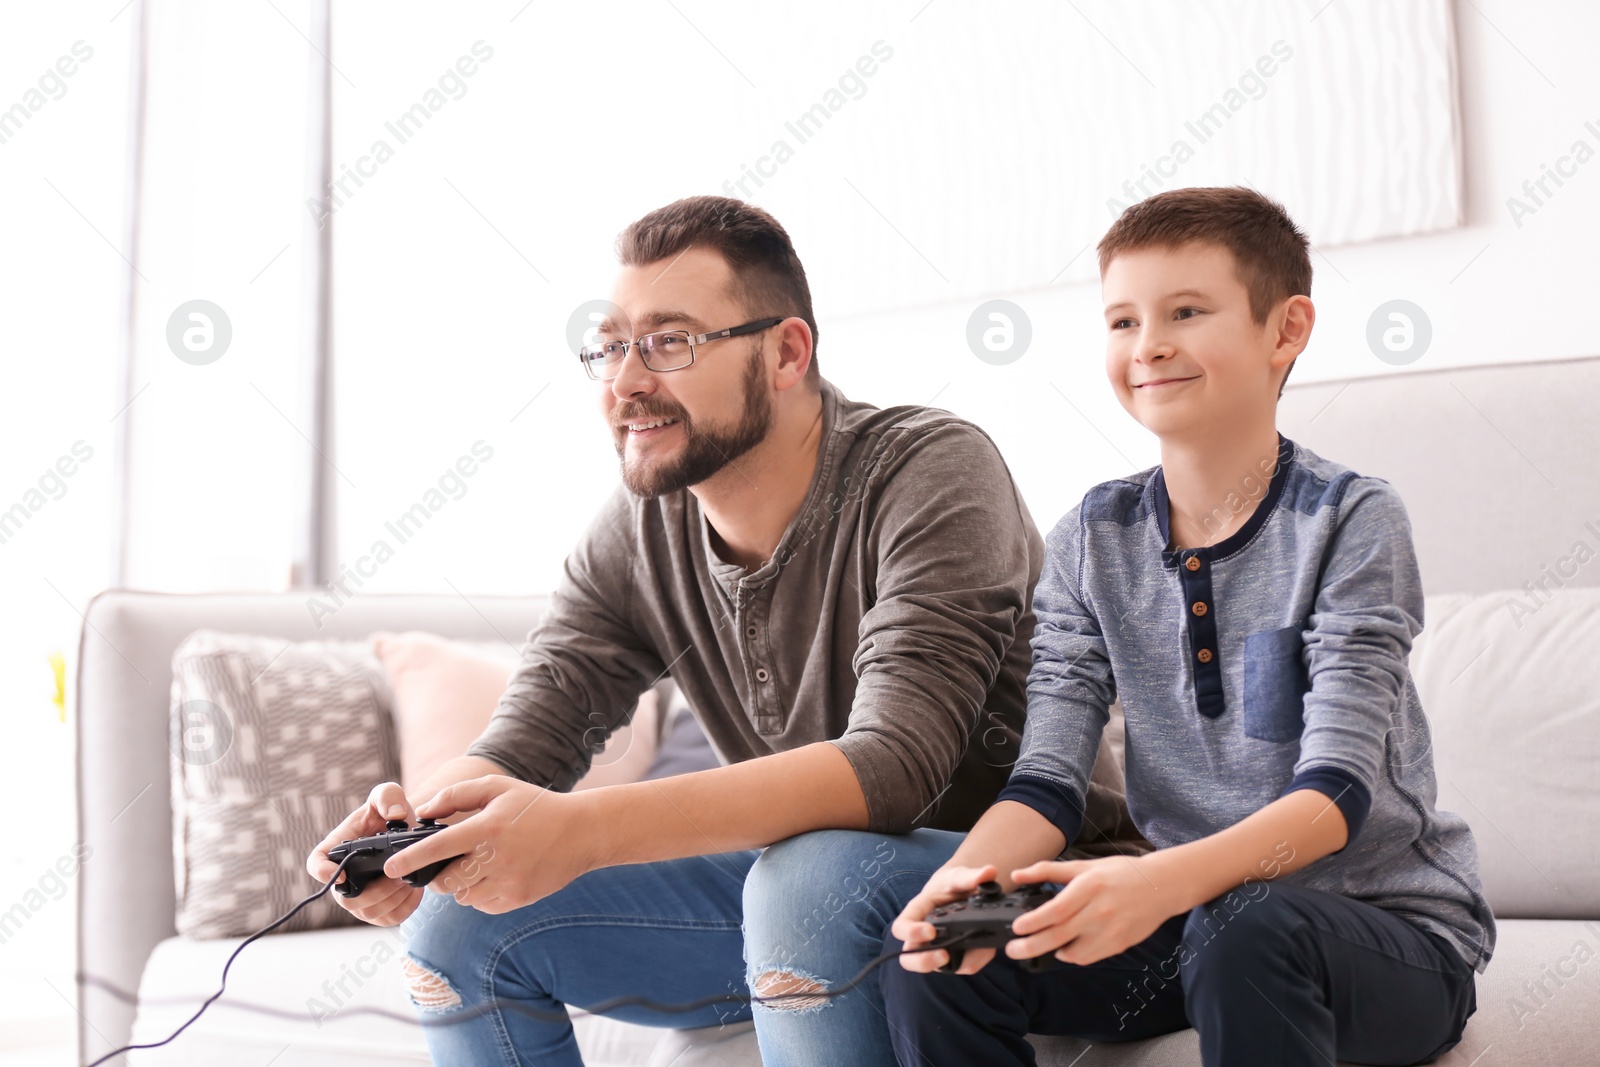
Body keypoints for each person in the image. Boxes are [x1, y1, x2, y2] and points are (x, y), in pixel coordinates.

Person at [306, 194, 1132, 1066]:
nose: (625, 381)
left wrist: (580, 830)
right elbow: (529, 737)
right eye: (611, 346)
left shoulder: (930, 471)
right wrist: (429, 826)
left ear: (785, 351)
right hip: (794, 903)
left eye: (670, 341)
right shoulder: (635, 530)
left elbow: (894, 767)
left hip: (1019, 890)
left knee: (805, 876)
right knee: (459, 915)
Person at [881, 186, 1494, 1066]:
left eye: (1185, 312)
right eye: (1122, 321)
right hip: (1194, 917)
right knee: (942, 955)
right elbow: (1048, 780)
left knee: (1240, 926)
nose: (1148, 345)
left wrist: (1155, 881)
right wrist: (958, 885)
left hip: (1382, 934)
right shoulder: (1093, 536)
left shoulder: (1353, 519)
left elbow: (1335, 798)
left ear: (1285, 330)